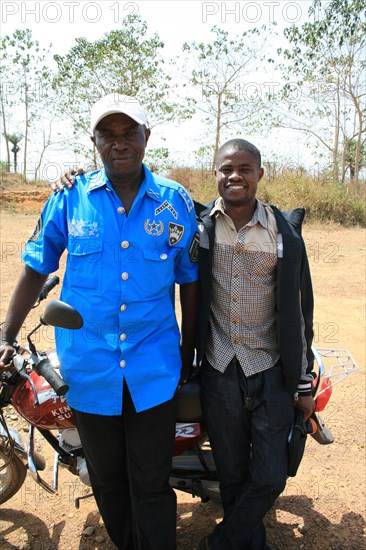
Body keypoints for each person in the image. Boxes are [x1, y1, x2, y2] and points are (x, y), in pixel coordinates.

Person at [0, 93, 199, 550]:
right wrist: (6, 335)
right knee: (108, 482)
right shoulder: (70, 198)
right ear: (94, 142)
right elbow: (36, 267)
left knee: (150, 482)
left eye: (130, 133)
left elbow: (190, 280)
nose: (120, 143)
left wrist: (189, 350)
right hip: (89, 368)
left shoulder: (174, 203)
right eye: (108, 135)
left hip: (154, 368)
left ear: (147, 137)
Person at [195, 138, 315, 550]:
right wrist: (74, 178)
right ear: (215, 174)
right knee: (231, 473)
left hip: (269, 370)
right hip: (220, 367)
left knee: (270, 476)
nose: (235, 176)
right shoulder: (201, 228)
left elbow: (300, 313)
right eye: (227, 168)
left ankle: (222, 542)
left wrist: (302, 379)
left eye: (245, 168)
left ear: (259, 175)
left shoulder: (284, 234)